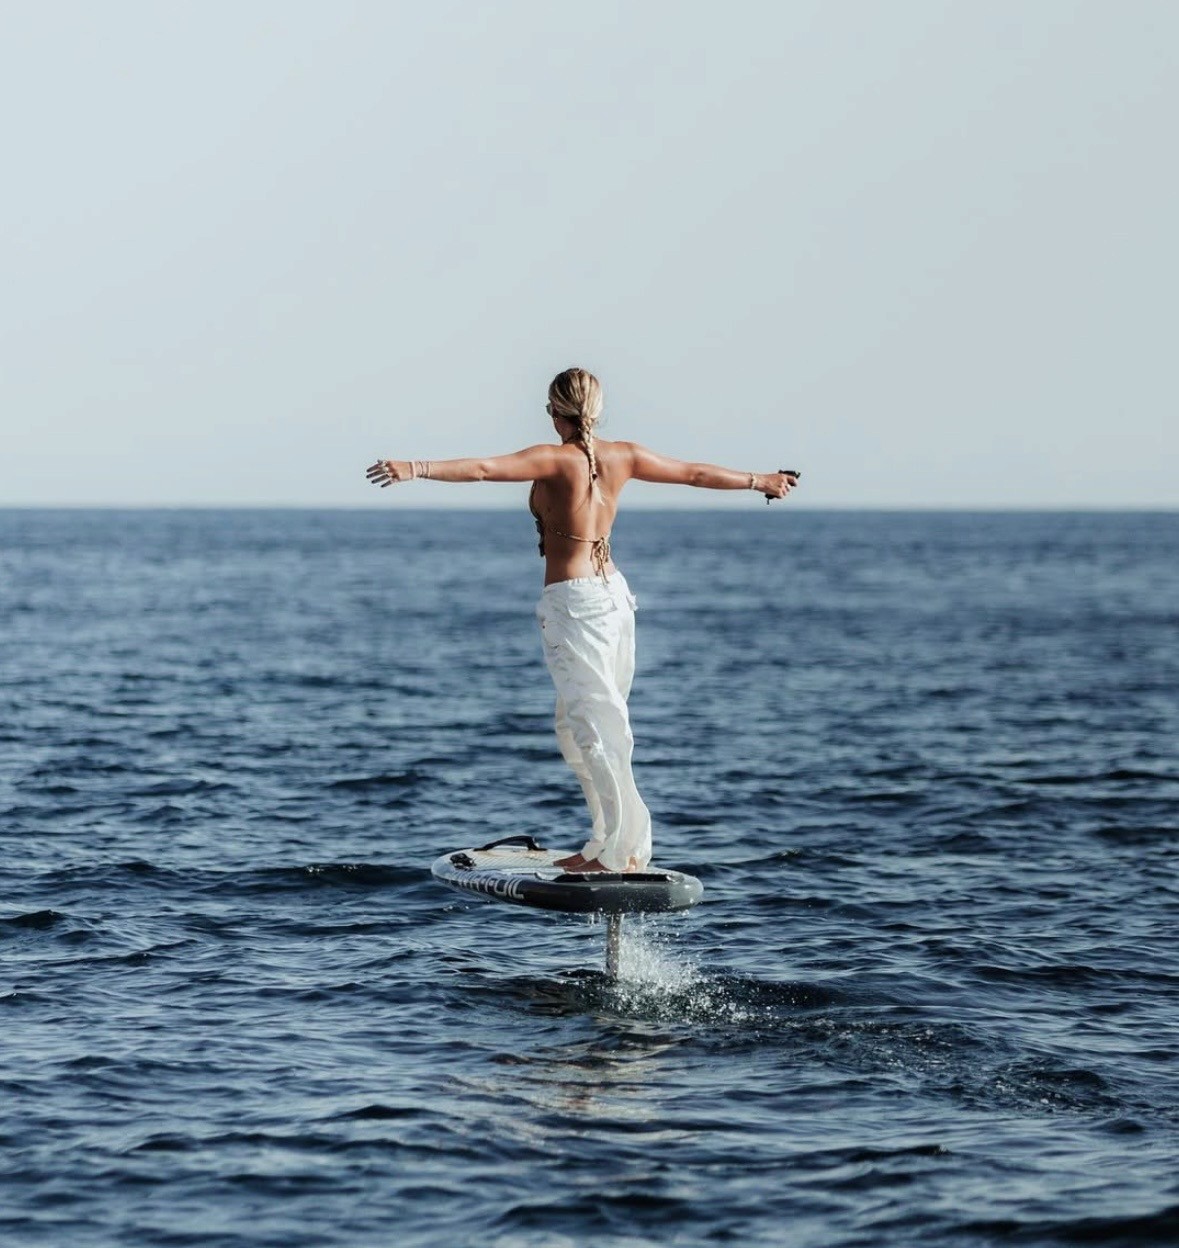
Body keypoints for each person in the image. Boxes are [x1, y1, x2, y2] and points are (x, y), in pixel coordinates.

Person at [366, 367, 798, 873]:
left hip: (575, 605)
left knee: (594, 728)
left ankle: (622, 852)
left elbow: (483, 469)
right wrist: (761, 481)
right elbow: (694, 474)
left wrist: (412, 467)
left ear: (556, 412)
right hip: (614, 599)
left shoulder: (553, 459)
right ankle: (606, 842)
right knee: (584, 726)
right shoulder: (623, 456)